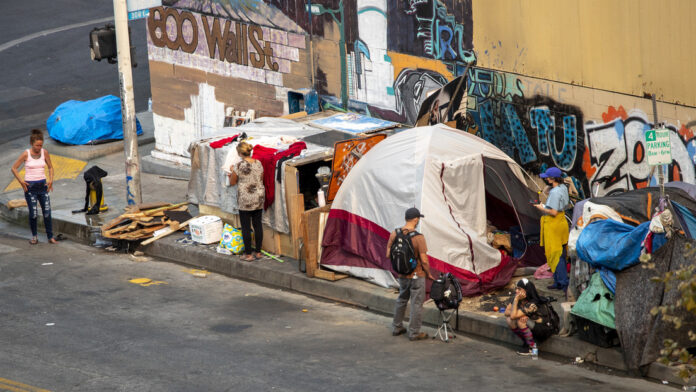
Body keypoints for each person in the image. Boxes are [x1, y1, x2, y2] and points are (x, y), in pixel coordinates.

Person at [387, 207, 435, 341]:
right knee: (416, 303)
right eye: (418, 218)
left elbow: (387, 254)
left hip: (401, 274)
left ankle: (397, 327)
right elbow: (424, 260)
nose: (418, 220)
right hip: (416, 275)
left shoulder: (394, 233)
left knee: (402, 299)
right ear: (415, 220)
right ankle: (414, 332)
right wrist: (428, 273)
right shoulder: (419, 237)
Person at [10, 129, 57, 245]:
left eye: (41, 145)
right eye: (37, 145)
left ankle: (50, 236)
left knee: (47, 212)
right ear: (32, 143)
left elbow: (50, 167)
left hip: (43, 186)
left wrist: (51, 180)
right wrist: (21, 182)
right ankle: (34, 236)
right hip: (30, 188)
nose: (39, 147)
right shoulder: (26, 153)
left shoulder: (44, 152)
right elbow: (14, 168)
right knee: (34, 213)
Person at [534, 167, 570, 291]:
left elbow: (553, 212)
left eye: (548, 177)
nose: (546, 178)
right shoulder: (562, 187)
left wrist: (541, 207)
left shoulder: (555, 192)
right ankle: (559, 280)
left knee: (555, 254)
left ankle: (562, 282)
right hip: (562, 223)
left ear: (552, 178)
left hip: (554, 224)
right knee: (561, 253)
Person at [229, 141, 265, 262]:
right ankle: (258, 252)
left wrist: (231, 171)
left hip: (245, 198)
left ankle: (248, 254)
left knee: (245, 226)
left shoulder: (239, 165)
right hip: (258, 196)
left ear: (239, 153)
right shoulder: (258, 163)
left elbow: (232, 182)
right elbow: (261, 178)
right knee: (258, 224)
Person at [505, 278, 555, 356]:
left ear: (526, 291)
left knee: (520, 321)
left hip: (543, 329)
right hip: (532, 325)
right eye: (516, 288)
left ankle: (532, 347)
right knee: (509, 320)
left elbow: (512, 315)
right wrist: (519, 311)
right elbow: (506, 312)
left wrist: (516, 303)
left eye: (519, 289)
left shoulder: (532, 304)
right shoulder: (519, 299)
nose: (517, 291)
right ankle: (527, 342)